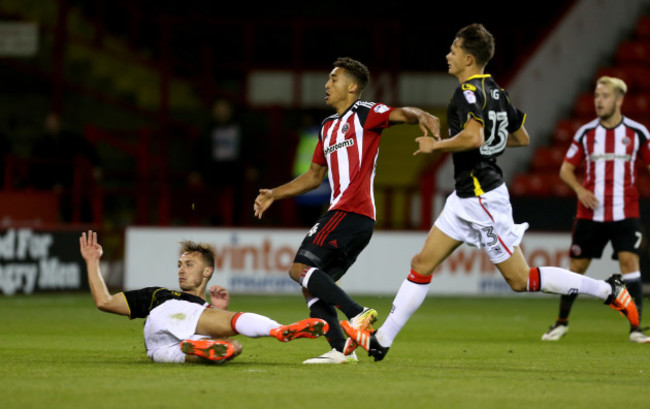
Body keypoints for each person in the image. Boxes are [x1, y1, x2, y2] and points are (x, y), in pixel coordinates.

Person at [341, 24, 641, 361]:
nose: (448, 55)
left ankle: (608, 289)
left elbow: (474, 137)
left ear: (468, 58)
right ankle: (381, 341)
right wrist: (487, 144)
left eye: (453, 50)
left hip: (482, 198)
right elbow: (521, 136)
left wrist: (435, 145)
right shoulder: (497, 91)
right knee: (422, 263)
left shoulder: (466, 94)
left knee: (520, 278)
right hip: (465, 197)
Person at [253, 57, 440, 364]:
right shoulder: (327, 128)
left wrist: (418, 112)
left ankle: (358, 313)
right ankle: (340, 351)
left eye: (334, 79)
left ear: (352, 87)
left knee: (298, 270)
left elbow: (399, 114)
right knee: (311, 283)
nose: (327, 85)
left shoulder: (365, 113)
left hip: (351, 210)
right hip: (352, 217)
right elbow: (314, 176)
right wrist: (275, 193)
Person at [79, 230, 328, 364]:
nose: (181, 269)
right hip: (167, 317)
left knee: (233, 347)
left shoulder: (202, 308)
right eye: (179, 264)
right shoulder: (162, 295)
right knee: (232, 320)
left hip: (161, 350)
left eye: (189, 264)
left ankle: (200, 350)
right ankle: (278, 330)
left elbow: (198, 319)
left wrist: (213, 310)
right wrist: (92, 261)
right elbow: (104, 301)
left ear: (207, 272)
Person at [541, 76, 650, 343]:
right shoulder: (586, 133)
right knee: (577, 266)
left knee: (629, 262)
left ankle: (636, 328)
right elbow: (565, 170)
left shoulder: (637, 133)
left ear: (619, 100)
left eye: (604, 96)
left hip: (626, 211)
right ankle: (561, 322)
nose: (598, 101)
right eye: (596, 96)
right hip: (591, 214)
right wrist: (580, 190)